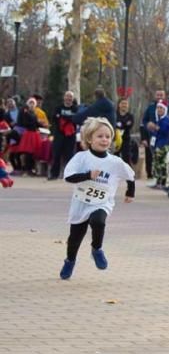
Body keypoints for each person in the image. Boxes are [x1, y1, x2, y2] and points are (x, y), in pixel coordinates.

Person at [59, 117, 136, 280]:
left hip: (102, 202)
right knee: (75, 238)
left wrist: (130, 192)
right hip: (80, 203)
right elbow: (68, 177)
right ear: (89, 138)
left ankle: (97, 249)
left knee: (98, 222)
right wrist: (87, 175)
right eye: (100, 136)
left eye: (108, 136)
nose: (104, 140)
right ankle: (70, 261)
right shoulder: (81, 157)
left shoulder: (115, 162)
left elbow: (130, 176)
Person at [141, 89, 169, 182]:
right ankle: (154, 177)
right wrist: (148, 127)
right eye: (157, 95)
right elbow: (144, 121)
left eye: (161, 95)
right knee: (154, 159)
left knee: (162, 161)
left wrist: (157, 127)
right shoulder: (150, 107)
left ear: (164, 96)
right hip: (153, 138)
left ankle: (162, 180)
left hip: (164, 142)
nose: (159, 97)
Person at [47, 91, 80, 180]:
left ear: (72, 99)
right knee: (56, 154)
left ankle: (70, 174)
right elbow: (54, 118)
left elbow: (77, 119)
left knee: (69, 155)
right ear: (64, 97)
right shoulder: (58, 108)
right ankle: (54, 174)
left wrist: (63, 118)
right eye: (67, 96)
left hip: (70, 135)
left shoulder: (75, 108)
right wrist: (67, 119)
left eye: (70, 97)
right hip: (59, 134)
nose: (68, 98)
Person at [11, 96, 43, 174]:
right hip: (28, 134)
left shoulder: (34, 113)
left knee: (33, 152)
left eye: (33, 103)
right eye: (30, 103)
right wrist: (34, 124)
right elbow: (25, 123)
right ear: (28, 104)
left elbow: (36, 123)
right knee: (28, 152)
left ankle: (31, 168)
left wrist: (42, 125)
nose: (32, 105)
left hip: (34, 134)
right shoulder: (26, 112)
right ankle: (27, 169)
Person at [150, 102, 169, 189]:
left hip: (164, 144)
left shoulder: (166, 119)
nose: (159, 110)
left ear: (165, 110)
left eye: (161, 108)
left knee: (161, 163)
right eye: (158, 108)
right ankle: (158, 181)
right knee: (157, 163)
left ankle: (162, 182)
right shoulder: (159, 120)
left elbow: (166, 131)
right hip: (158, 143)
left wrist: (155, 127)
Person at [114, 97, 136, 167]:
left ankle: (129, 176)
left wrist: (120, 124)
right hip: (115, 139)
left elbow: (129, 125)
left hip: (126, 139)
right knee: (115, 157)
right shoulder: (114, 115)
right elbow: (113, 125)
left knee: (126, 157)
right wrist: (124, 124)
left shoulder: (130, 116)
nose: (124, 105)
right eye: (122, 103)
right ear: (119, 105)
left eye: (126, 104)